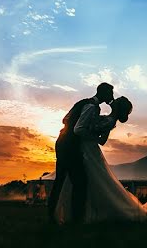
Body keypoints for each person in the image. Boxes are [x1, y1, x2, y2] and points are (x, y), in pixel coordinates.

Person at [53, 96, 147, 224]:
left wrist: (89, 136)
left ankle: (82, 215)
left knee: (88, 181)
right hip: (83, 148)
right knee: (83, 181)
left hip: (88, 149)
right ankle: (80, 214)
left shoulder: (110, 121)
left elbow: (102, 140)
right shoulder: (106, 117)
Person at [48, 82, 115, 224]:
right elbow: (78, 130)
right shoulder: (92, 107)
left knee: (60, 180)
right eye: (110, 93)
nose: (112, 97)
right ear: (104, 93)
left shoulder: (83, 103)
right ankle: (76, 218)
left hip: (62, 142)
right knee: (80, 183)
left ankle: (51, 216)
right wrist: (94, 137)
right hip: (70, 145)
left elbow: (65, 119)